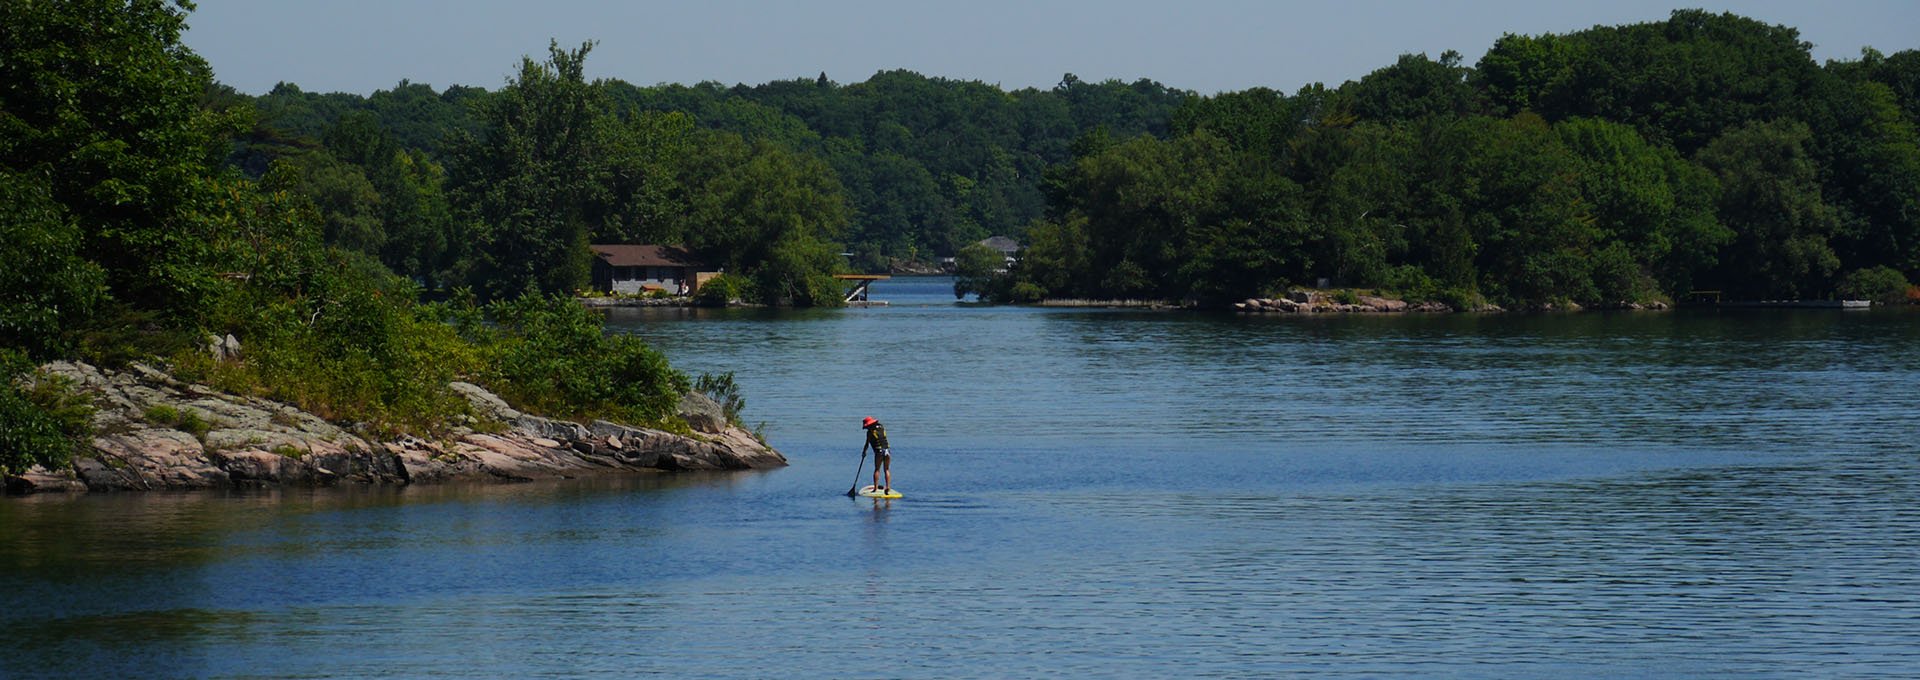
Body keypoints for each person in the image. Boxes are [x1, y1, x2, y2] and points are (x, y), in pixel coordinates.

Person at [861, 416, 891, 492]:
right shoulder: (881, 427)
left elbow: (867, 444)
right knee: (886, 469)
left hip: (879, 451)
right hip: (887, 450)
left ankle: (875, 488)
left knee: (877, 469)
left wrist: (864, 452)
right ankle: (888, 487)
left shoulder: (869, 433)